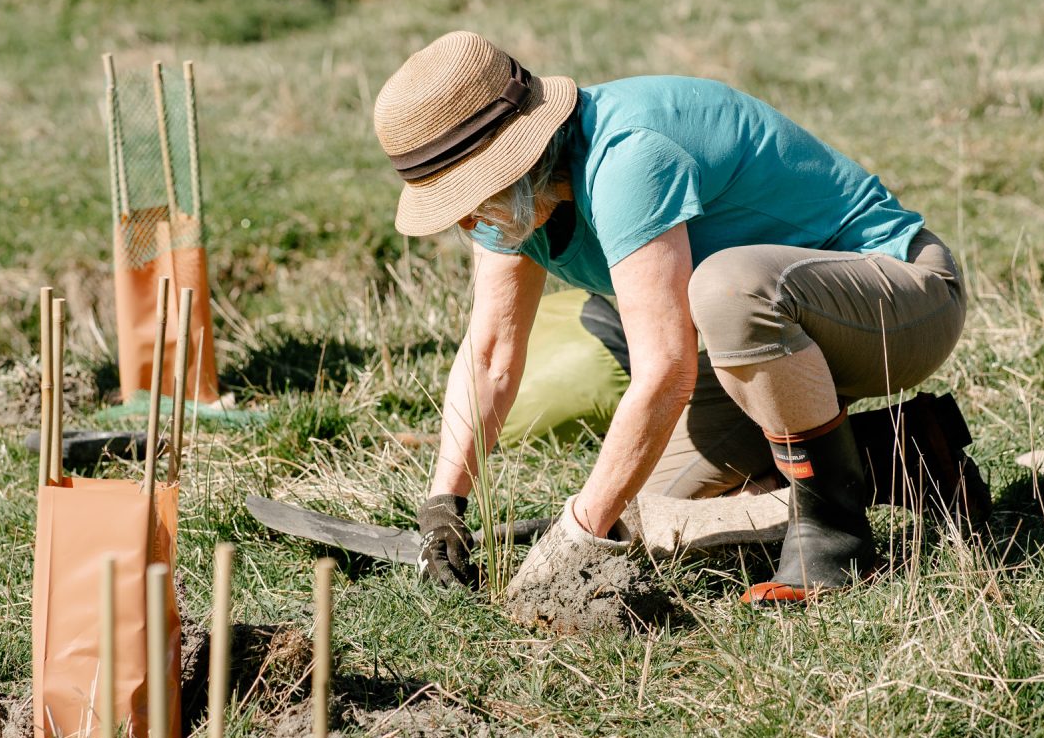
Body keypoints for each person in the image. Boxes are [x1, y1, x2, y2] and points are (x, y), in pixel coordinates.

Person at [375, 30, 983, 604]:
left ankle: (837, 541)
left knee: (727, 290)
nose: (463, 221)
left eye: (468, 194)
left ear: (518, 156)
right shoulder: (513, 203)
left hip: (902, 300)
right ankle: (903, 456)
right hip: (773, 345)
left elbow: (665, 369)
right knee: (648, 509)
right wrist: (443, 504)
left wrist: (579, 533)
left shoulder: (628, 158)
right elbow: (489, 359)